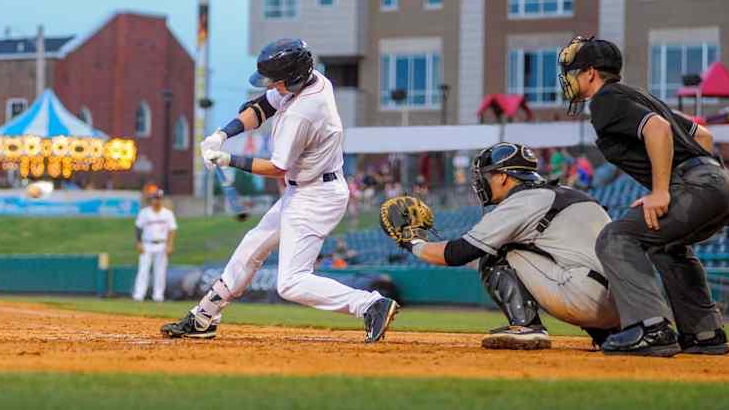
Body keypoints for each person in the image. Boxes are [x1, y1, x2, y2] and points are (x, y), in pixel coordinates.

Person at [160, 39, 398, 342]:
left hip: (317, 196)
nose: (273, 86)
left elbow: (277, 168)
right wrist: (222, 135)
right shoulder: (311, 81)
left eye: (277, 81)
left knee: (291, 283)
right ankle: (204, 317)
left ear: (295, 78)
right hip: (303, 191)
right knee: (252, 246)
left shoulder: (305, 110)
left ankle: (371, 304)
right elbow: (261, 106)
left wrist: (228, 158)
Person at [558, 35, 729, 356]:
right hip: (723, 182)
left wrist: (664, 191)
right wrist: (698, 181)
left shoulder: (605, 100)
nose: (568, 79)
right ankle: (704, 333)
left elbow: (658, 129)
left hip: (700, 182)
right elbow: (703, 134)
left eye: (572, 72)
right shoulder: (637, 95)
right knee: (666, 246)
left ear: (590, 73)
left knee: (615, 238)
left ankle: (651, 328)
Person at [401, 142, 620, 350]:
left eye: (487, 175)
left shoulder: (524, 200)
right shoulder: (574, 194)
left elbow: (457, 254)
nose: (482, 182)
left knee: (495, 250)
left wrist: (411, 242)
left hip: (583, 300)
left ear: (503, 177)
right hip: (623, 306)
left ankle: (526, 326)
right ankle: (606, 335)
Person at [132, 186, 177, 302]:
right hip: (147, 244)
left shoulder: (167, 214)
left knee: (160, 271)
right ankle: (139, 295)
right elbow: (138, 228)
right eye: (154, 198)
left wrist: (170, 244)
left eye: (158, 198)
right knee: (143, 270)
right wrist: (138, 242)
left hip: (162, 244)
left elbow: (172, 230)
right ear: (151, 200)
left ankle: (158, 296)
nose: (157, 201)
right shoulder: (144, 213)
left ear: (161, 200)